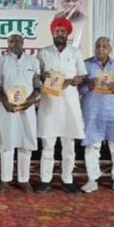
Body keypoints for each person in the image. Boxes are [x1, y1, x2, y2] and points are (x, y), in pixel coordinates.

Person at [35, 18, 86, 193]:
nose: (59, 34)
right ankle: (45, 179)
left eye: (62, 31)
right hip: (49, 104)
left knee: (69, 146)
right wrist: (44, 75)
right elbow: (37, 76)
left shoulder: (75, 52)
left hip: (70, 105)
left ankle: (67, 179)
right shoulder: (43, 53)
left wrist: (73, 81)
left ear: (67, 33)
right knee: (48, 145)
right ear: (52, 33)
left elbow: (82, 76)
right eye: (57, 31)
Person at [79, 37, 114, 194]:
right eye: (98, 46)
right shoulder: (86, 65)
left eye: (104, 46)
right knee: (92, 146)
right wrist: (88, 85)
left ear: (110, 49)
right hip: (92, 111)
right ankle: (92, 180)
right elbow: (79, 90)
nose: (101, 49)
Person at [0, 31, 40, 193]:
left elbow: (37, 85)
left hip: (27, 109)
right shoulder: (1, 61)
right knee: (7, 144)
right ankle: (5, 179)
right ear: (7, 43)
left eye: (18, 41)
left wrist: (32, 99)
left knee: (26, 143)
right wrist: (5, 101)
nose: (15, 44)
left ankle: (24, 179)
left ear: (23, 42)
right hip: (8, 108)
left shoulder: (33, 61)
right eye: (11, 41)